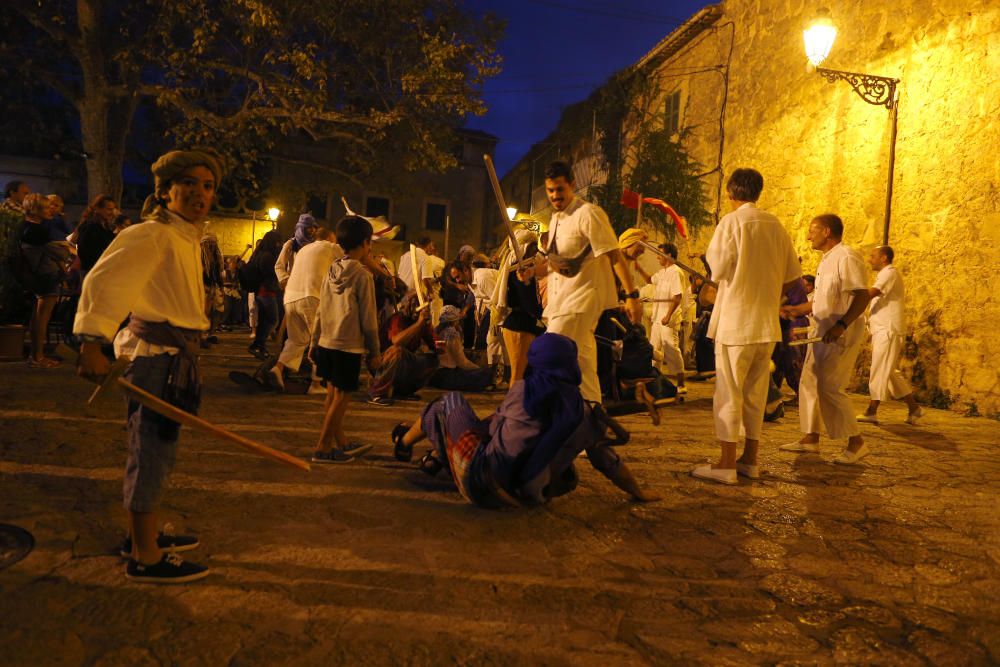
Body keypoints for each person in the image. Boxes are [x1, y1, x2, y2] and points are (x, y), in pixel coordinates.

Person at [74, 148, 225, 583]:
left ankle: (146, 534)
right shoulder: (151, 234)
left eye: (208, 186)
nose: (200, 193)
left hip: (175, 361)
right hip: (154, 360)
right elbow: (104, 282)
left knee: (159, 449)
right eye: (190, 184)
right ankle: (144, 554)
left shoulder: (185, 236)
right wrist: (91, 343)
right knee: (151, 453)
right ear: (165, 191)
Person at [390, 333, 660, 506]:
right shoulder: (585, 413)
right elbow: (608, 462)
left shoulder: (523, 391)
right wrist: (639, 493)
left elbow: (493, 431)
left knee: (448, 403)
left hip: (482, 483)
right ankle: (438, 456)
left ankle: (404, 441)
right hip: (525, 496)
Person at [691, 169, 800, 485]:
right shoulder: (776, 226)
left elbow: (719, 269)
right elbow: (793, 277)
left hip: (736, 322)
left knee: (728, 392)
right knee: (756, 393)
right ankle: (749, 460)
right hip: (765, 324)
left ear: (730, 193)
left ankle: (726, 463)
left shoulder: (730, 223)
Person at [531, 161, 643, 403]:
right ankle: (593, 415)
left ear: (571, 184)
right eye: (550, 190)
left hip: (582, 300)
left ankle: (547, 415)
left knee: (551, 352)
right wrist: (533, 272)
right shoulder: (555, 220)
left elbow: (614, 255)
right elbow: (557, 263)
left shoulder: (589, 213)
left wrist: (632, 296)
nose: (555, 196)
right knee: (583, 362)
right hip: (559, 303)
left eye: (559, 189)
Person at [779, 214, 871, 464]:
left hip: (838, 334)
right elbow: (822, 300)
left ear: (827, 232)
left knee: (830, 387)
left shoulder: (846, 257)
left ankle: (856, 442)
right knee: (808, 381)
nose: (809, 235)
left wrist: (841, 325)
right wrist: (796, 311)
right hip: (820, 332)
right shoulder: (826, 261)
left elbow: (862, 296)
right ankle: (810, 437)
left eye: (813, 230)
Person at [309, 215, 381, 463]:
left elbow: (321, 307)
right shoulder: (363, 276)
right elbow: (369, 318)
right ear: (364, 243)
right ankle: (323, 447)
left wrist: (314, 340)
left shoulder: (332, 269)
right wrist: (375, 352)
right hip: (348, 345)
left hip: (327, 341)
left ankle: (342, 442)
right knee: (341, 397)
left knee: (332, 393)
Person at [270, 226, 342, 392]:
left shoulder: (303, 250)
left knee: (296, 340)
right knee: (320, 339)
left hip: (290, 298)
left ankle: (278, 369)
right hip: (311, 297)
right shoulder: (330, 247)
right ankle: (316, 383)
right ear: (329, 238)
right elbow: (352, 258)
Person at [857, 245, 923, 424]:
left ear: (884, 258)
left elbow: (873, 293)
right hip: (883, 330)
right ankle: (914, 408)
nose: (870, 259)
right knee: (889, 371)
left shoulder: (889, 273)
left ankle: (872, 410)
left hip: (888, 330)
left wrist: (850, 298)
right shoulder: (885, 274)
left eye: (873, 256)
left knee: (879, 368)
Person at [19, 193, 70, 368]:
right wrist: (63, 249)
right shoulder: (38, 231)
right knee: (43, 317)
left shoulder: (24, 226)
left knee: (37, 317)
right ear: (35, 210)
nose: (51, 210)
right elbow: (62, 254)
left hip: (35, 275)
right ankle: (38, 356)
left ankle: (35, 355)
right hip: (45, 275)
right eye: (47, 207)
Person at [366, 291, 438, 405]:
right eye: (415, 304)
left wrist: (430, 328)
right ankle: (376, 392)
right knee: (397, 351)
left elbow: (434, 344)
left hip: (403, 363)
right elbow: (397, 341)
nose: (418, 308)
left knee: (433, 360)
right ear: (406, 305)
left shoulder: (421, 322)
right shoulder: (397, 319)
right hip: (381, 362)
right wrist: (418, 324)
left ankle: (402, 391)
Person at [494, 228, 544, 384]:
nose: (535, 251)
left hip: (524, 323)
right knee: (518, 374)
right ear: (524, 248)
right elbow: (527, 302)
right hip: (519, 324)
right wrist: (541, 314)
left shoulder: (525, 269)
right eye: (532, 247)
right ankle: (512, 406)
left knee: (524, 374)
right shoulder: (517, 271)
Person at [649, 242, 689, 395]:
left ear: (669, 255)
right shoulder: (662, 272)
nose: (657, 256)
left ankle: (681, 383)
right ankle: (655, 383)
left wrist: (668, 315)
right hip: (656, 319)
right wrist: (637, 268)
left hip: (668, 320)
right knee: (654, 351)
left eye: (659, 253)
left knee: (672, 350)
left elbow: (677, 297)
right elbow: (650, 280)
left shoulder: (675, 272)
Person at [428, 305, 494, 391]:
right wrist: (478, 368)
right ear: (455, 320)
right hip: (447, 375)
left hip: (435, 375)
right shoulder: (452, 333)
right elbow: (461, 362)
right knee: (486, 373)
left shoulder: (437, 330)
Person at [246, 230, 283, 359]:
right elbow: (271, 275)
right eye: (278, 242)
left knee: (264, 321)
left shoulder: (259, 254)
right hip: (267, 292)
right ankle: (258, 345)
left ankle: (259, 347)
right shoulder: (268, 256)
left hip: (260, 292)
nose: (279, 244)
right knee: (273, 320)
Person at [73, 195, 119, 275]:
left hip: (100, 269)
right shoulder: (91, 227)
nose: (112, 212)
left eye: (113, 209)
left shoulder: (105, 227)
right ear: (98, 209)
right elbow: (83, 250)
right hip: (92, 271)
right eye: (109, 209)